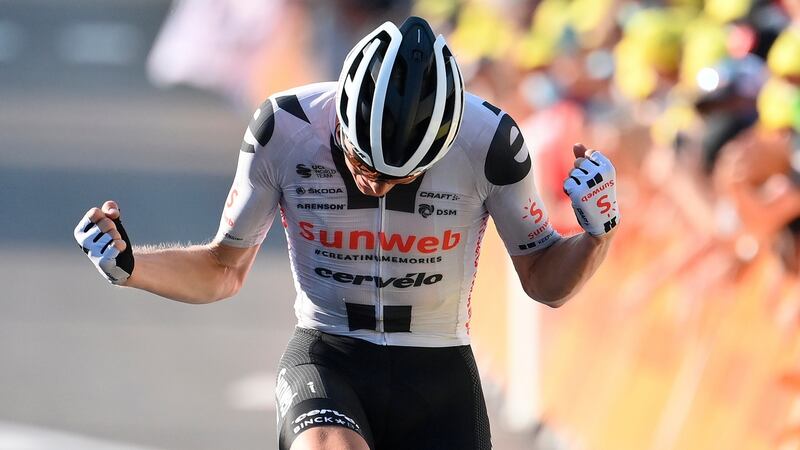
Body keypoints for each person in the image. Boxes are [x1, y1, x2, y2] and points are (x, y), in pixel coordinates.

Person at [74, 16, 619, 450]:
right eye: (362, 163)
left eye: (396, 175)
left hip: (439, 370)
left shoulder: (491, 141)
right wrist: (131, 265)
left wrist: (596, 235)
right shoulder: (283, 128)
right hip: (329, 355)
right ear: (341, 116)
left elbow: (544, 280)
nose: (375, 185)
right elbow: (223, 269)